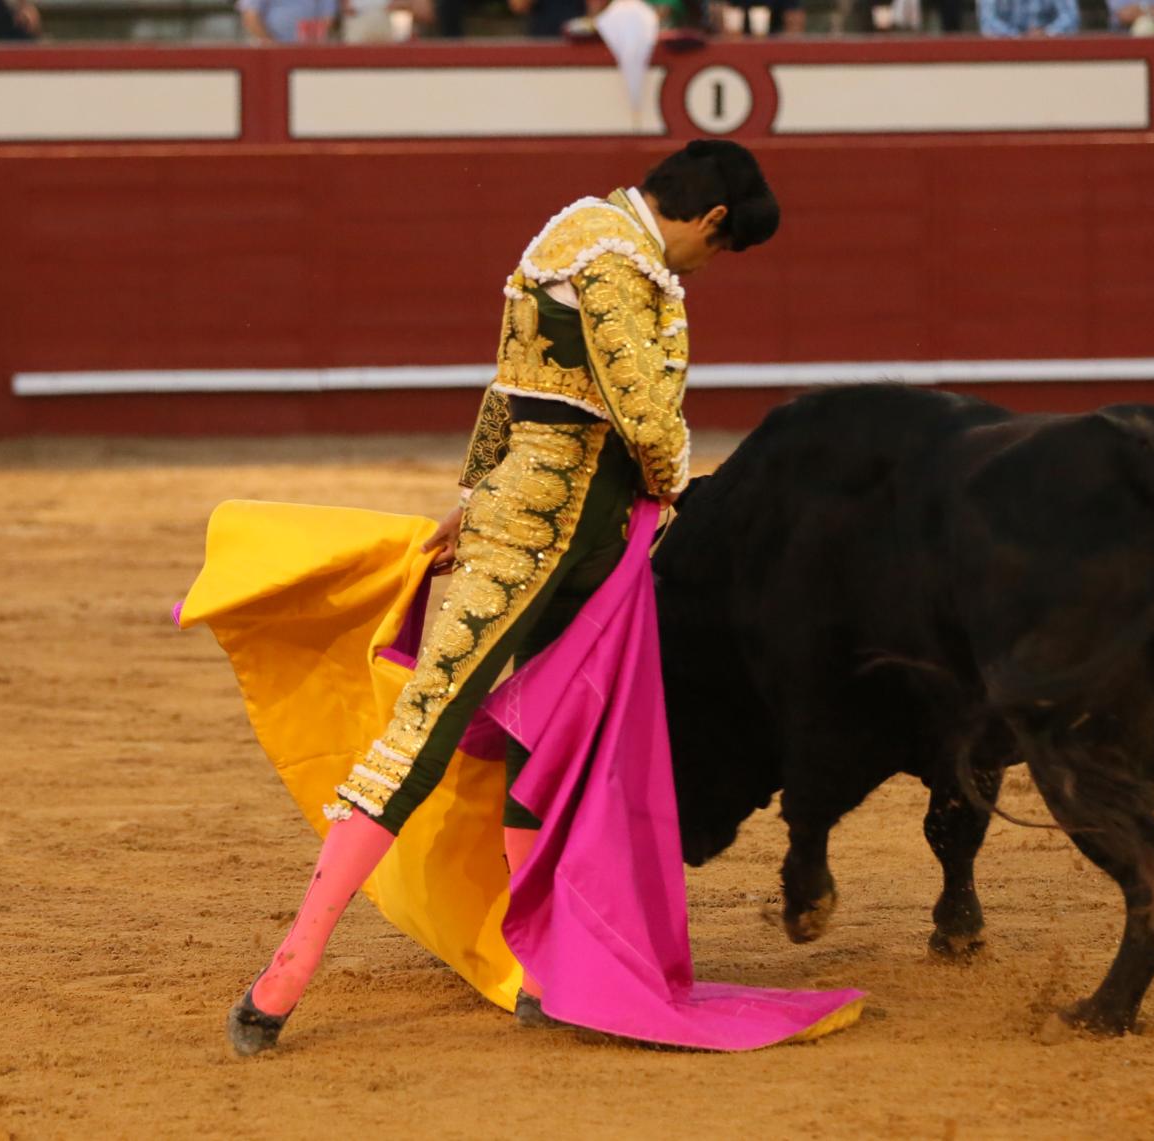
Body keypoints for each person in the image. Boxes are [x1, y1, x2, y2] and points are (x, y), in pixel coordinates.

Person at [226, 140, 782, 1055]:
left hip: (550, 518)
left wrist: (472, 492)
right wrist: (679, 485)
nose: (706, 267)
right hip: (553, 525)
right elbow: (643, 409)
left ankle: (528, 969)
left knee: (549, 733)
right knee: (430, 725)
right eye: (719, 251)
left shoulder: (575, 237)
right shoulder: (609, 250)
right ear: (712, 219)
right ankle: (287, 969)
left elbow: (506, 388)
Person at [237, 0, 337, 41]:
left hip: (310, 51)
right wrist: (272, 45)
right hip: (268, 52)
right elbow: (250, 17)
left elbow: (327, 17)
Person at [976, 0, 1077, 36]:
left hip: (1049, 52)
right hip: (1004, 56)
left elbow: (1071, 17)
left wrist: (1047, 33)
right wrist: (1018, 37)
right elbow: (988, 22)